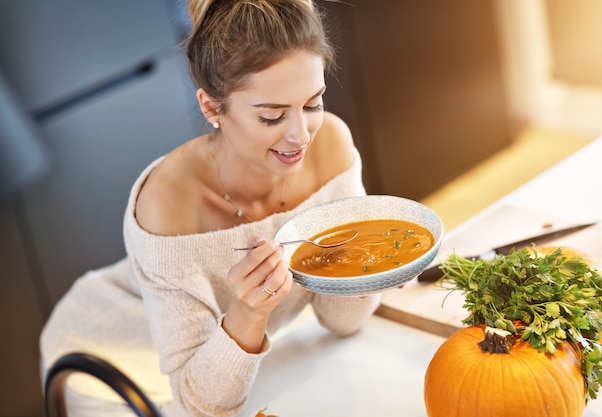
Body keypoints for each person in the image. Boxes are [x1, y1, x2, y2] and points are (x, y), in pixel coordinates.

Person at [40, 0, 381, 416]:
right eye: (272, 116)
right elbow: (202, 405)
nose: (300, 136)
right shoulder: (166, 202)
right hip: (115, 365)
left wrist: (365, 264)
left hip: (233, 375)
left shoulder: (331, 148)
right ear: (211, 107)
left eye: (312, 103)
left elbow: (344, 322)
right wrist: (249, 312)